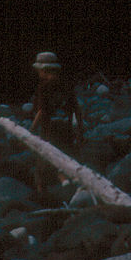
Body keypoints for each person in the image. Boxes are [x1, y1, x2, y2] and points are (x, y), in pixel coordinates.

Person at [31, 50, 83, 192]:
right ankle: (68, 184)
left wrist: (31, 130)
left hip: (49, 130)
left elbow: (41, 111)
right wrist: (79, 129)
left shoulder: (43, 87)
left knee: (42, 159)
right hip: (65, 128)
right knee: (65, 158)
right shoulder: (67, 85)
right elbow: (76, 109)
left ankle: (42, 191)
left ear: (43, 70)